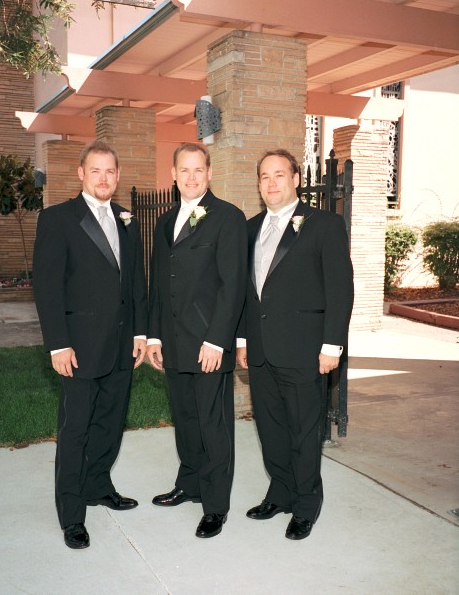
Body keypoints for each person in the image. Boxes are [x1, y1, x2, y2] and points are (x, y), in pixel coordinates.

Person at [33, 140, 148, 550]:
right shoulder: (58, 219)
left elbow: (135, 280)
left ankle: (99, 485)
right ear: (81, 173)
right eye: (95, 170)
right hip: (78, 347)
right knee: (76, 430)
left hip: (121, 346)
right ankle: (71, 514)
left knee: (110, 423)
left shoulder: (127, 219)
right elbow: (47, 287)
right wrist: (58, 344)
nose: (103, 178)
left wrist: (140, 333)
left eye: (110, 171)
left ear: (118, 176)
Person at [236, 149, 354, 540]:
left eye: (279, 175)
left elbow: (340, 289)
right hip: (261, 351)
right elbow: (246, 293)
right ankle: (280, 492)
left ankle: (306, 504)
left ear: (296, 179)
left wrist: (332, 346)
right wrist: (242, 340)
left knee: (304, 432)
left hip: (305, 351)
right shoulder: (250, 229)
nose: (271, 183)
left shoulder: (324, 225)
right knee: (270, 429)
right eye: (264, 176)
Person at [146, 142, 247, 538]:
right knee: (186, 419)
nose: (191, 177)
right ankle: (189, 484)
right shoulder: (164, 221)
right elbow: (158, 283)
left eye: (198, 169)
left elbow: (232, 285)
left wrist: (217, 340)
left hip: (208, 344)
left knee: (212, 424)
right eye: (184, 170)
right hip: (173, 342)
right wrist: (154, 336)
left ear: (209, 173)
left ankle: (215, 505)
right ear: (173, 174)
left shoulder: (228, 217)